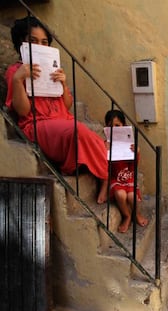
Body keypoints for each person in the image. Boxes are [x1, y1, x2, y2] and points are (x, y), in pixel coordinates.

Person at [5, 16, 108, 203]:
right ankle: (105, 175)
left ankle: (103, 175)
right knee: (78, 132)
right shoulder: (16, 71)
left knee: (95, 138)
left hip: (61, 119)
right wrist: (18, 80)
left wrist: (63, 82)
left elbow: (66, 104)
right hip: (37, 124)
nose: (40, 46)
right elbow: (22, 111)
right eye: (32, 41)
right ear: (21, 43)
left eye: (44, 42)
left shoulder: (52, 69)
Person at [104, 109, 148, 232]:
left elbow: (133, 167)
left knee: (132, 196)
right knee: (120, 194)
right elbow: (104, 166)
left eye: (117, 125)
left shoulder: (130, 145)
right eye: (110, 126)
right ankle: (127, 216)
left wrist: (136, 153)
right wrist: (104, 151)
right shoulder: (106, 145)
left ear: (123, 125)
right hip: (115, 178)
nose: (115, 129)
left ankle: (137, 214)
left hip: (128, 177)